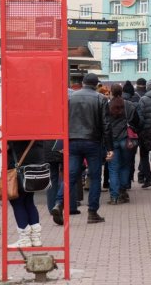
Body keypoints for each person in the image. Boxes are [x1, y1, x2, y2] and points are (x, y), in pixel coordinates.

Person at [52, 73, 113, 225]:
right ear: (95, 84)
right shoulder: (101, 99)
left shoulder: (70, 97)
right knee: (94, 177)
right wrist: (109, 147)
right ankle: (92, 212)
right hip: (93, 142)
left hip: (73, 142)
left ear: (83, 83)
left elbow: (62, 120)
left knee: (71, 175)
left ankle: (59, 204)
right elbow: (106, 125)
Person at [7, 140, 45, 247]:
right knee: (29, 201)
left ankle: (24, 239)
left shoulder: (15, 128)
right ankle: (36, 238)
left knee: (17, 202)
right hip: (33, 166)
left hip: (18, 165)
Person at [108, 84, 140, 204]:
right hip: (127, 140)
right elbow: (138, 121)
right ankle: (123, 191)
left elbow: (104, 123)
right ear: (121, 92)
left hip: (112, 140)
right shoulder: (129, 105)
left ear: (111, 92)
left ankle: (114, 196)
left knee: (113, 168)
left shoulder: (107, 105)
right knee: (126, 165)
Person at [134, 78, 147, 183]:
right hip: (145, 129)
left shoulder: (133, 96)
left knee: (131, 153)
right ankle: (141, 175)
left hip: (134, 130)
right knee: (143, 153)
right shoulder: (148, 96)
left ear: (137, 85)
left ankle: (129, 176)